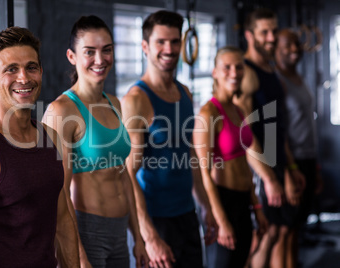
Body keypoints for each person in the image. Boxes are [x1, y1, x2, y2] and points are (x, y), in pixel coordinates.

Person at [0, 27, 80, 267]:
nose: (24, 78)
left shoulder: (49, 136)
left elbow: (62, 221)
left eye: (31, 67)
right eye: (11, 69)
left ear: (41, 71)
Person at [41, 15, 148, 268]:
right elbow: (59, 191)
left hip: (120, 231)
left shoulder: (115, 103)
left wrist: (139, 237)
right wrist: (78, 254)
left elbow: (124, 176)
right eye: (90, 52)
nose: (100, 60)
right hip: (87, 232)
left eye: (106, 50)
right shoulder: (61, 110)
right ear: (72, 57)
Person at [121, 10, 217, 268]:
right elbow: (128, 173)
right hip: (157, 220)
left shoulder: (184, 91)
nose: (169, 49)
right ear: (145, 47)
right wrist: (148, 235)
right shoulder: (137, 99)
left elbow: (190, 155)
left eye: (175, 41)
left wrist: (205, 206)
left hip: (187, 214)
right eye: (160, 42)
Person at [236, 8, 305, 268]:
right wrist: (269, 177)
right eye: (264, 31)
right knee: (262, 237)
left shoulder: (271, 71)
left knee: (278, 233)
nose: (271, 37)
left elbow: (277, 127)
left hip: (276, 162)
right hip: (258, 167)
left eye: (274, 30)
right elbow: (245, 132)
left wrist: (289, 167)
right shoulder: (246, 72)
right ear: (249, 35)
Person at [193, 46, 271, 268]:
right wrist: (221, 221)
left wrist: (256, 207)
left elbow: (245, 164)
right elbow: (204, 174)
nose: (234, 72)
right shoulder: (208, 113)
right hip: (223, 201)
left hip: (243, 201)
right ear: (214, 72)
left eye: (239, 67)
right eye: (227, 67)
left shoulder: (237, 110)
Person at [275, 28, 323, 267]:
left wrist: (314, 167)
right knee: (283, 230)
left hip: (306, 158)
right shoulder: (278, 80)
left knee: (296, 226)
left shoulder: (298, 77)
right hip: (290, 161)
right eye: (288, 45)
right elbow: (277, 131)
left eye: (296, 44)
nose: (295, 49)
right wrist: (288, 169)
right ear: (275, 49)